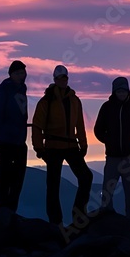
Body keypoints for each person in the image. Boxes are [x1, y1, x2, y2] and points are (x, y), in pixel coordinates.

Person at [32, 65, 93, 226]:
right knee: (53, 185)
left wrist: (83, 144)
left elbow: (79, 124)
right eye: (59, 78)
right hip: (53, 147)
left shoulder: (74, 100)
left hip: (71, 146)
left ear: (67, 78)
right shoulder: (46, 101)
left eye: (64, 78)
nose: (62, 80)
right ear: (55, 79)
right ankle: (56, 222)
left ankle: (78, 214)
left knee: (86, 177)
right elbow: (37, 126)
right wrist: (39, 148)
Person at [94, 76, 130, 221]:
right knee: (108, 187)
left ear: (128, 90)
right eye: (119, 91)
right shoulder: (107, 107)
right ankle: (106, 213)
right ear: (114, 92)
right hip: (113, 155)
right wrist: (108, 141)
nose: (121, 93)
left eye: (123, 91)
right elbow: (98, 129)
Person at [0, 60, 29, 212]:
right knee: (6, 177)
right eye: (18, 73)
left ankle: (11, 211)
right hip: (7, 142)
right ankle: (1, 211)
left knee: (17, 179)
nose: (22, 76)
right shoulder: (4, 89)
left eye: (23, 73)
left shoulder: (22, 89)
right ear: (11, 74)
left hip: (19, 141)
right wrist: (3, 134)